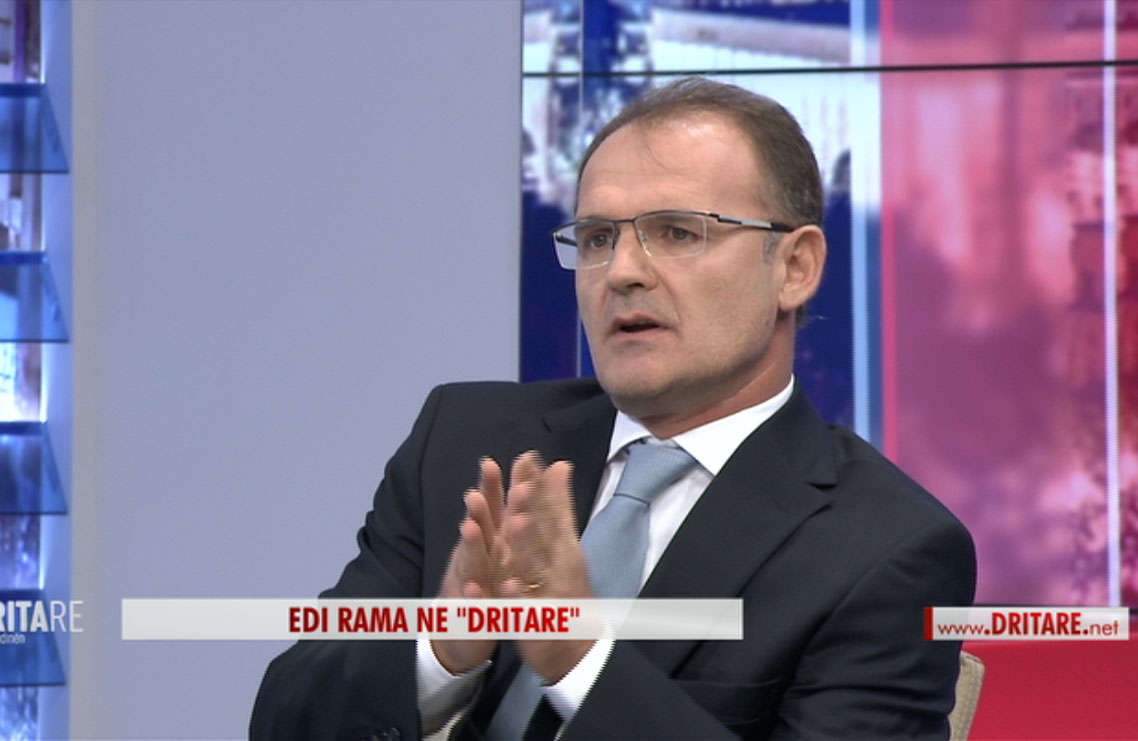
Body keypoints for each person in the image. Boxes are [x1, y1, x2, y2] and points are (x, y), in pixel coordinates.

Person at [250, 77, 976, 740]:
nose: (622, 272)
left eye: (678, 232)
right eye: (598, 238)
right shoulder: (465, 442)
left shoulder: (886, 548)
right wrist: (443, 652)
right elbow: (285, 719)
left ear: (795, 266)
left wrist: (580, 659)